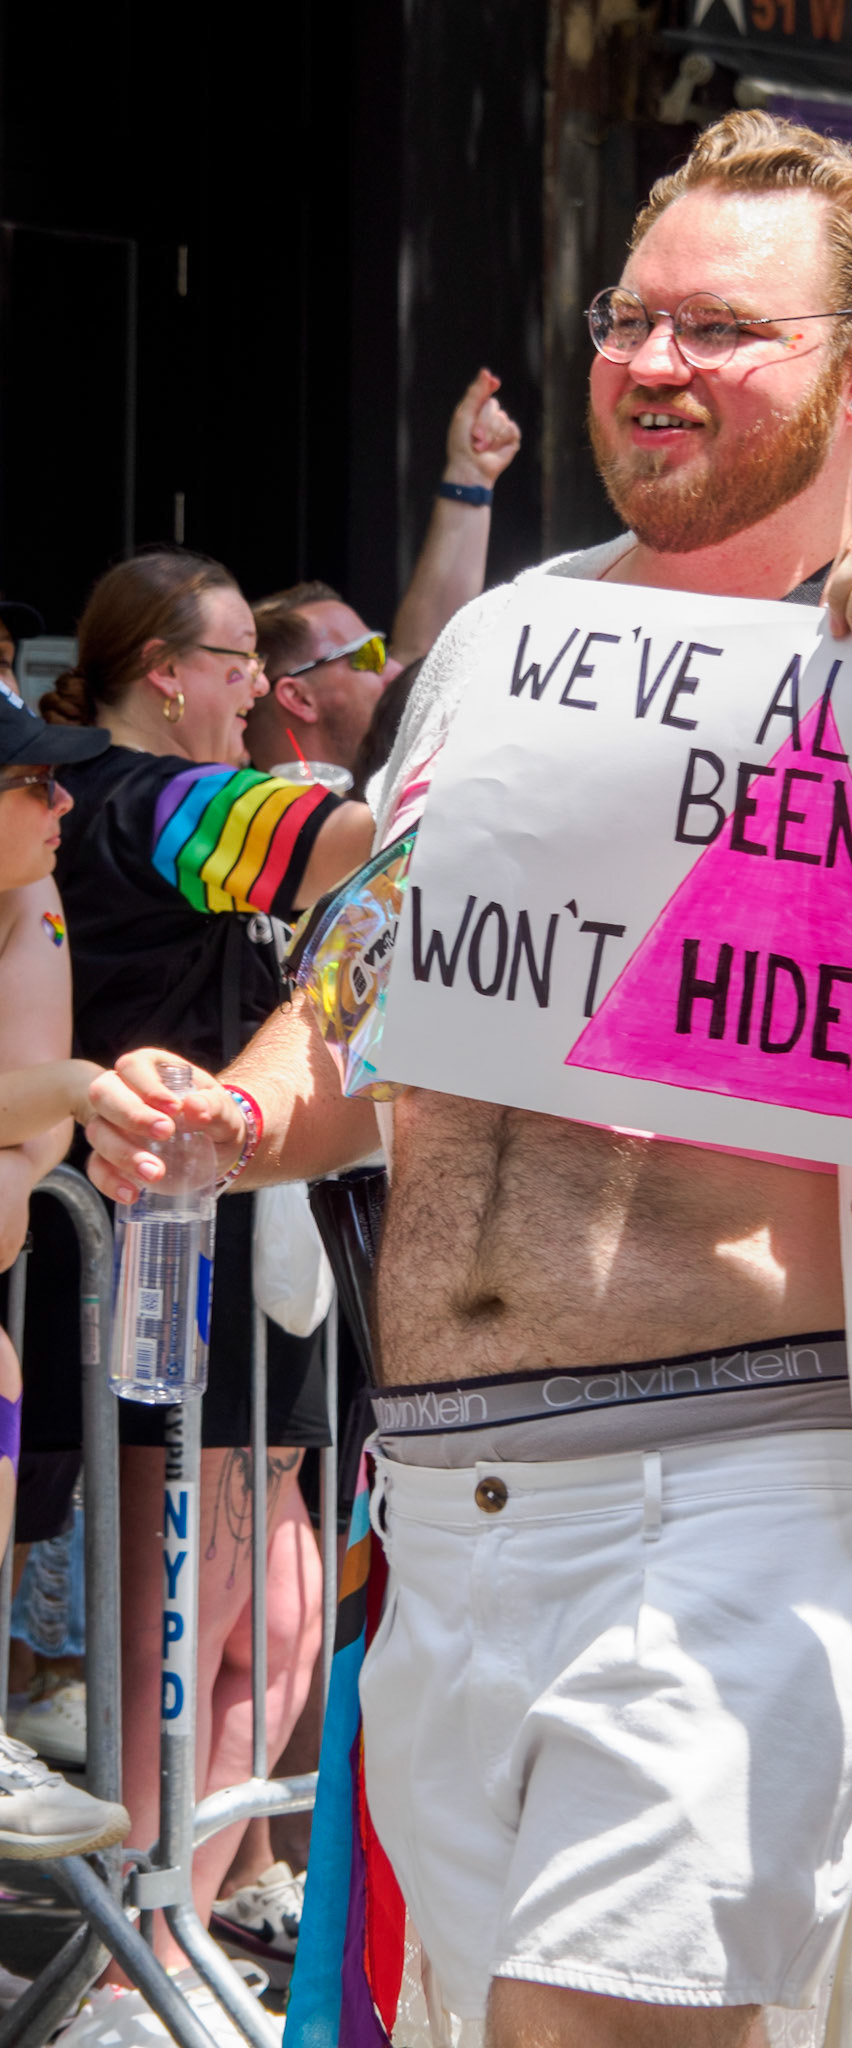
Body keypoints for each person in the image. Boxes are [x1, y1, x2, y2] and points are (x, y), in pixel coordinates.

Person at [87, 113, 852, 2048]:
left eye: (720, 329)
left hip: (735, 1503)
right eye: (629, 317)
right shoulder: (505, 643)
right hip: (447, 1510)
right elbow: (378, 990)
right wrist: (236, 1117)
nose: (653, 365)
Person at [32, 548, 374, 1983]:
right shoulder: (141, 800)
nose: (265, 691)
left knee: (283, 1625)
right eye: (242, 662)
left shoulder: (183, 794)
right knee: (186, 1631)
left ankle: (167, 1944)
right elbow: (345, 842)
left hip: (264, 1256)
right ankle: (120, 1972)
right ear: (166, 673)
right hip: (167, 1257)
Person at [0, 693, 131, 1859]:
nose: (66, 799)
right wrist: (82, 1086)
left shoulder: (29, 893)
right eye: (35, 781)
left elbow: (27, 1146)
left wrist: (62, 1097)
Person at [245, 369, 522, 778]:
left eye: (384, 650)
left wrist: (472, 475)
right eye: (369, 656)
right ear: (298, 698)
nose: (395, 668)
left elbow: (428, 649)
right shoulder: (241, 813)